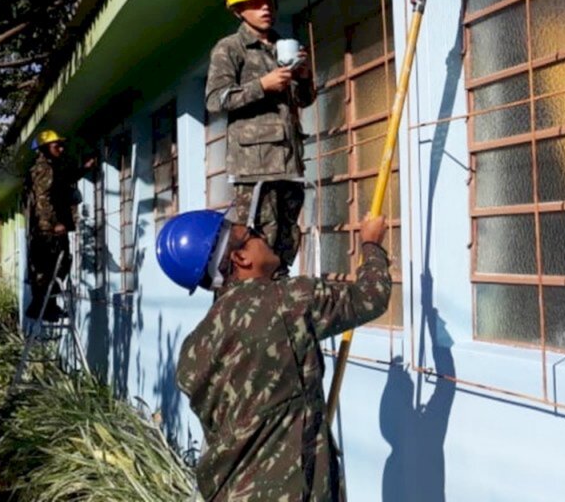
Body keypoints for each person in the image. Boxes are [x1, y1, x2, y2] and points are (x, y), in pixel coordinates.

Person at [156, 209, 390, 501]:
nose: (263, 237)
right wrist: (372, 244)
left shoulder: (193, 348)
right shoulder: (287, 301)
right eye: (252, 233)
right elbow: (371, 296)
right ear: (240, 258)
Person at [206, 0, 316, 278]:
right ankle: (255, 306)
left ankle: (280, 298)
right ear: (237, 10)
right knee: (257, 242)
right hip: (255, 168)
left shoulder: (283, 46)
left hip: (289, 163)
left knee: (287, 237)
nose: (265, 8)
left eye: (268, 1)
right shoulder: (230, 49)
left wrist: (305, 77)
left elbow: (302, 100)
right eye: (254, 3)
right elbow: (215, 100)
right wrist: (262, 85)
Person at [24, 129, 94, 322]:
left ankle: (46, 308)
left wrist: (85, 169)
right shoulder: (43, 168)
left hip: (51, 229)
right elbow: (42, 199)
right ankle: (42, 308)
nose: (61, 149)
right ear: (45, 148)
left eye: (61, 145)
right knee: (48, 270)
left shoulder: (52, 167)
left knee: (57, 268)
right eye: (57, 146)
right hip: (46, 231)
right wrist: (53, 225)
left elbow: (64, 182)